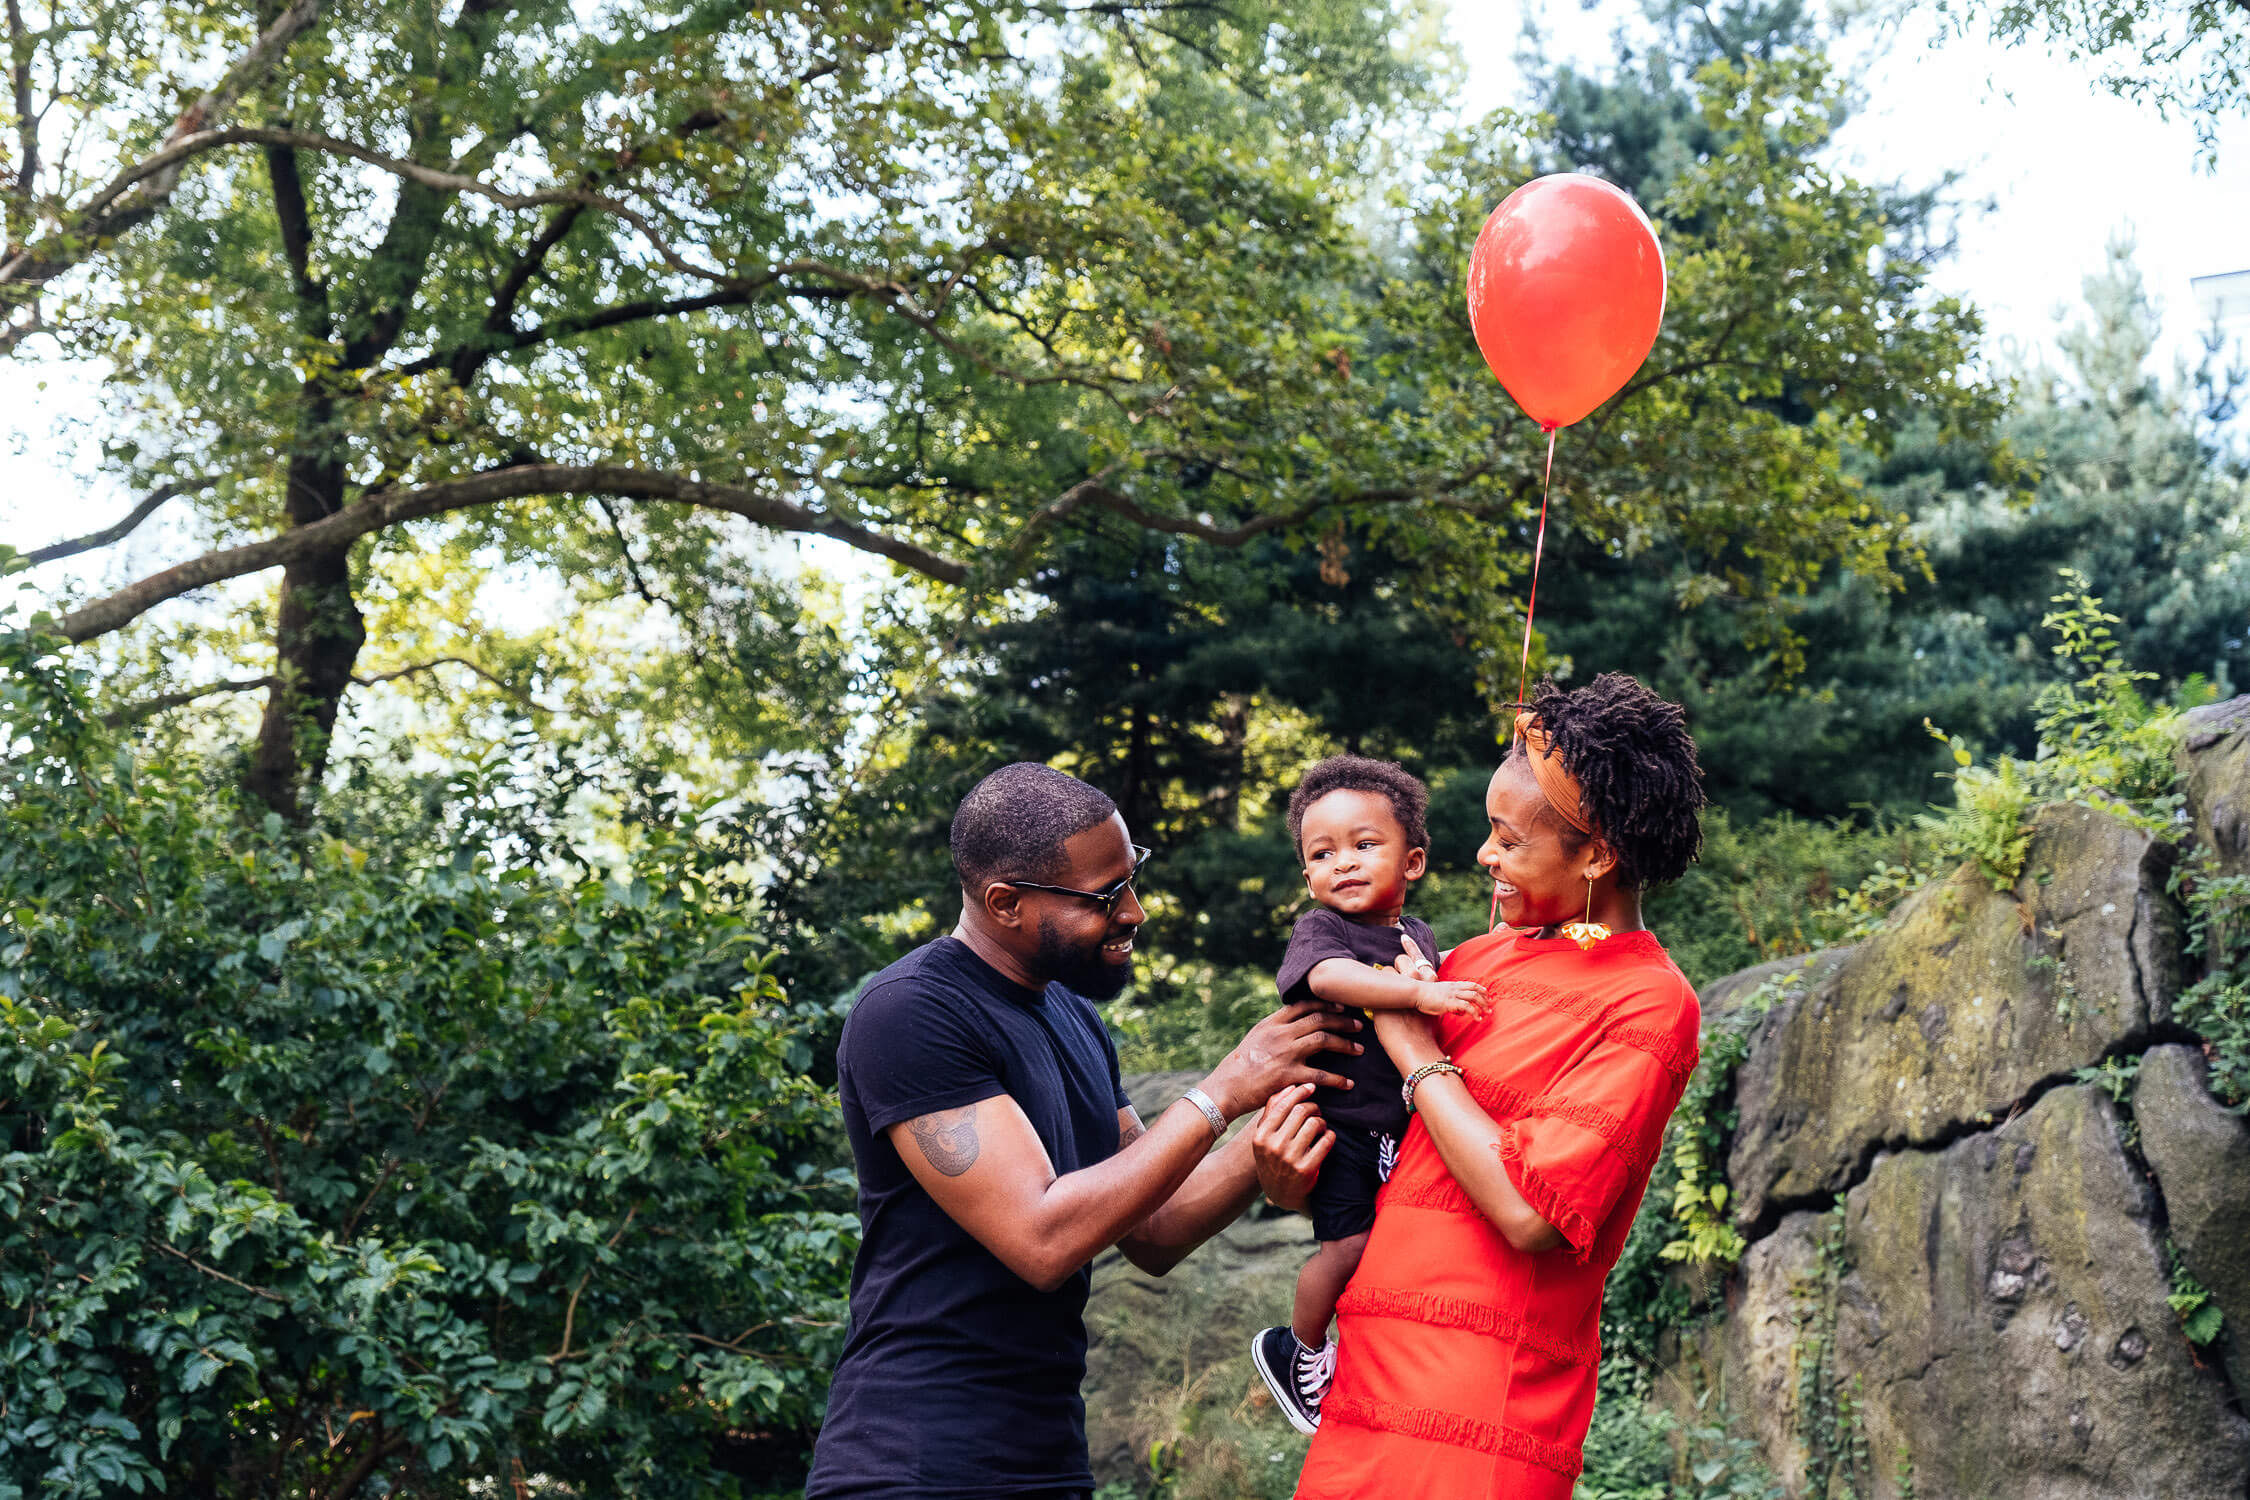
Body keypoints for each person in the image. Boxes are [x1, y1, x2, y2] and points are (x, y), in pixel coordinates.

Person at [806, 762, 1358, 1500]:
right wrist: (1224, 1089)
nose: (1133, 911)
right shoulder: (912, 1012)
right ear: (1004, 902)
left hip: (1046, 1453)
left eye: (1132, 878)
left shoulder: (1074, 1018)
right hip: (915, 1460)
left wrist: (1277, 1126)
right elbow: (1042, 1239)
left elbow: (1154, 1228)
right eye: (1104, 896)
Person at [1262, 674, 1708, 1500]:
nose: (1484, 856)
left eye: (1508, 839)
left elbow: (1529, 1210)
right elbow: (1393, 1146)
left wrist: (1409, 1043)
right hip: (1367, 1381)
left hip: (1482, 1406)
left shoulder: (1651, 1002)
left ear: (1598, 855)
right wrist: (1291, 1183)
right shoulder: (1469, 962)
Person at [1248, 756, 1488, 1434]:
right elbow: (1329, 978)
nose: (1343, 864)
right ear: (1307, 876)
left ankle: (1368, 1356)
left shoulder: (1419, 937)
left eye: (1364, 845)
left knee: (1393, 1248)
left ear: (1411, 863)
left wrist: (1427, 981)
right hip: (1341, 1125)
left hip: (1396, 1128)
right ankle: (1298, 1346)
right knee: (1347, 1250)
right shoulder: (1322, 931)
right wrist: (1415, 990)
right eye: (1323, 854)